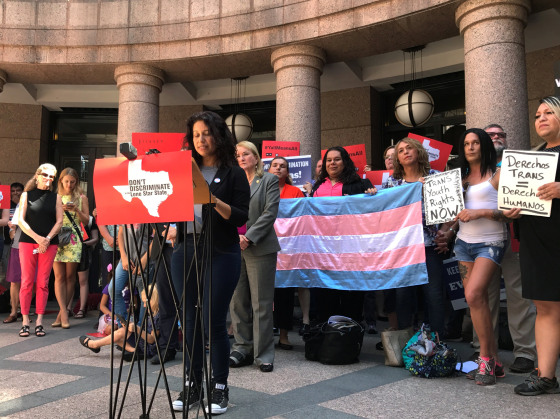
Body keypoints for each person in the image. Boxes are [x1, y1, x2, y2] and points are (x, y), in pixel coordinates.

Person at [170, 111, 249, 415]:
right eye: (196, 135)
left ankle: (219, 387)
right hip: (186, 251)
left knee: (213, 322)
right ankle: (192, 386)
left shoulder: (233, 173)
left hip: (221, 252)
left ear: (219, 135)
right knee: (188, 323)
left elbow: (242, 216)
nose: (201, 140)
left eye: (207, 133)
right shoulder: (183, 170)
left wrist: (211, 199)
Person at [449, 128, 519, 386]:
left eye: (476, 142)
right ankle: (492, 360)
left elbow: (512, 213)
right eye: (466, 143)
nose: (470, 147)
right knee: (476, 302)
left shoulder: (498, 175)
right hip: (463, 244)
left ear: (484, 145)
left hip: (491, 242)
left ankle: (486, 359)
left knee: (474, 295)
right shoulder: (460, 178)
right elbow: (453, 214)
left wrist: (480, 213)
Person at [467, 124, 536, 373]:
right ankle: (484, 349)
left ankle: (525, 352)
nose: (496, 138)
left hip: (513, 240)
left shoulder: (517, 166)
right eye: (491, 135)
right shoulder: (469, 172)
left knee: (519, 296)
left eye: (501, 135)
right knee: (482, 295)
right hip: (479, 242)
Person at [514, 96, 560, 395]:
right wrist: (512, 206)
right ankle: (546, 376)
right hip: (537, 238)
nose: (540, 118)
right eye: (537, 114)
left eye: (549, 113)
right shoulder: (532, 156)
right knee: (545, 306)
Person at [384, 138, 446, 339]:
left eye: (409, 148)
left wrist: (445, 232)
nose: (405, 152)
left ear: (418, 152)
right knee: (403, 296)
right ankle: (405, 343)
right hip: (404, 249)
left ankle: (437, 343)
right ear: (398, 159)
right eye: (400, 151)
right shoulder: (392, 183)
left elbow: (452, 211)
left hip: (430, 246)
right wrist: (372, 195)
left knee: (434, 295)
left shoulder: (436, 177)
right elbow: (383, 212)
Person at [310, 146, 377, 322]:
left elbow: (372, 213)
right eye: (329, 160)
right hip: (323, 251)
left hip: (350, 251)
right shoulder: (317, 186)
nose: (332, 163)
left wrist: (372, 195)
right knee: (324, 297)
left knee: (351, 298)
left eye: (337, 159)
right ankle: (326, 339)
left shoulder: (360, 184)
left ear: (345, 161)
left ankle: (349, 339)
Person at [229, 140, 280, 374]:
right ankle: (242, 348)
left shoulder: (268, 180)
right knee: (238, 302)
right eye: (238, 155)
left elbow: (270, 213)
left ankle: (264, 354)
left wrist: (248, 237)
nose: (241, 158)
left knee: (261, 303)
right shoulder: (232, 182)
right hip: (232, 247)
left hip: (258, 247)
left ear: (256, 157)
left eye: (246, 154)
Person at [17, 163, 63, 337]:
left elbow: (59, 222)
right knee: (27, 281)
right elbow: (21, 220)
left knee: (43, 282)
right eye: (45, 175)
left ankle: (39, 322)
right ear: (37, 175)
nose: (48, 179)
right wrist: (38, 239)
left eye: (51, 176)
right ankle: (25, 322)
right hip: (28, 242)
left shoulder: (56, 198)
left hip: (49, 243)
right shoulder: (26, 195)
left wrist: (47, 239)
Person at [268, 156, 306, 349]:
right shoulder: (260, 189)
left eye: (282, 166)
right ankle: (264, 336)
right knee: (264, 294)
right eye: (275, 165)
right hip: (264, 245)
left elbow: (302, 218)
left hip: (288, 250)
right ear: (268, 170)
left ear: (287, 172)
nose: (278, 168)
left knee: (284, 293)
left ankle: (283, 335)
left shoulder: (295, 192)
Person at [79, 284, 159, 362]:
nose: (144, 306)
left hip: (148, 347)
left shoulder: (158, 317)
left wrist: (137, 329)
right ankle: (134, 351)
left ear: (154, 300)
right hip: (142, 342)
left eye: (145, 303)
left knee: (121, 332)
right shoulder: (151, 314)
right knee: (116, 334)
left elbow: (152, 340)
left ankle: (94, 344)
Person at [52, 167, 89, 329]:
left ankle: (62, 313)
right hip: (58, 237)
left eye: (72, 182)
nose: (69, 185)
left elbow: (86, 221)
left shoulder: (82, 198)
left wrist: (77, 210)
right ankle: (64, 312)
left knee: (69, 276)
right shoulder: (55, 197)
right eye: (66, 181)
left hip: (74, 238)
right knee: (58, 277)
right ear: (60, 181)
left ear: (77, 182)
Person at [72, 214, 99, 318]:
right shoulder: (66, 215)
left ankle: (82, 309)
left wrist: (84, 244)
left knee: (83, 280)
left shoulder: (90, 219)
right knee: (69, 280)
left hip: (84, 252)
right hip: (69, 252)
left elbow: (95, 238)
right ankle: (67, 308)